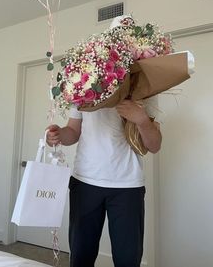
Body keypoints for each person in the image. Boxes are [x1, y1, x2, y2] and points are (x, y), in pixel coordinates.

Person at [46, 97, 162, 267]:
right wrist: (58, 135)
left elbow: (154, 146)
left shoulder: (143, 88)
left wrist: (142, 119)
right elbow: (73, 131)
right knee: (80, 256)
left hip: (127, 186)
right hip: (85, 181)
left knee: (128, 259)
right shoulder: (81, 87)